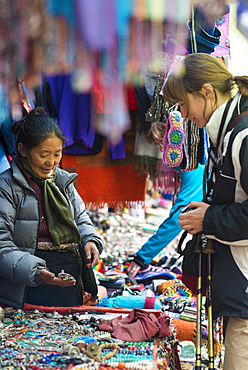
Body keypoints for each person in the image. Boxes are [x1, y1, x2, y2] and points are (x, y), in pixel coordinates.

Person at [163, 52, 248, 370]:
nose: (183, 115)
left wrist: (209, 218)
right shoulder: (230, 133)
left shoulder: (242, 135)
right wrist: (210, 211)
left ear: (207, 92)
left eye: (183, 105)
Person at [0, 107, 104, 309]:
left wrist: (90, 240)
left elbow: (81, 219)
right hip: (27, 286)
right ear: (23, 150)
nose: (51, 162)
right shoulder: (6, 187)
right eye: (44, 154)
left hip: (68, 277)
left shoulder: (63, 181)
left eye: (57, 154)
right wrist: (37, 272)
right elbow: (2, 246)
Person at [128, 119, 205, 277]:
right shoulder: (189, 159)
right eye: (157, 144)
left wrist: (142, 257)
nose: (161, 149)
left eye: (161, 143)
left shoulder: (191, 164)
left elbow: (180, 216)